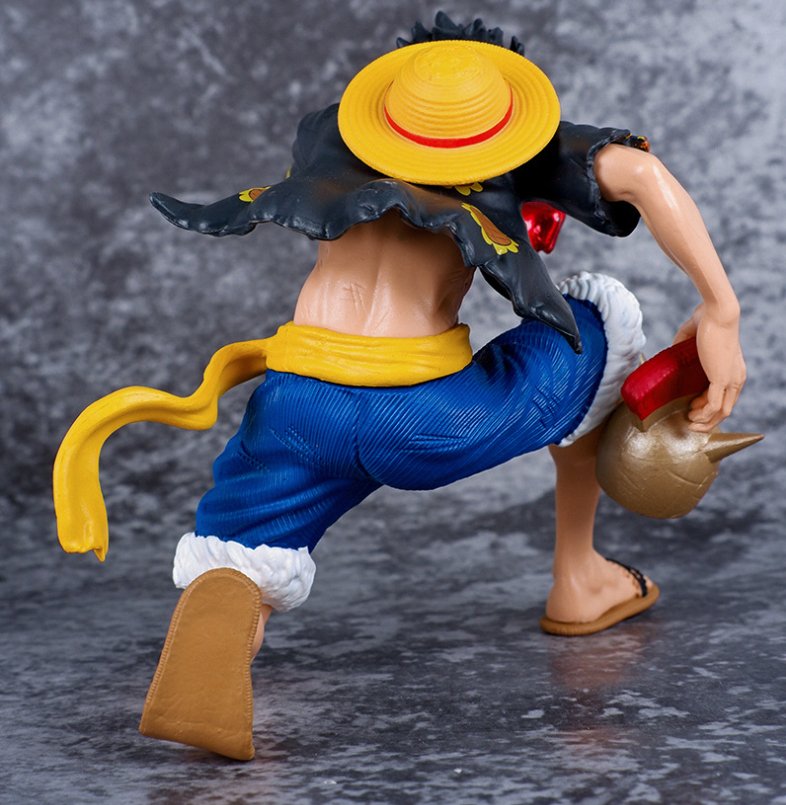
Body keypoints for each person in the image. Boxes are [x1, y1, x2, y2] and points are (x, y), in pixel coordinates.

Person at [54, 15, 746, 761]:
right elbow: (639, 174)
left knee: (241, 554)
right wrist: (721, 310)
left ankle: (229, 619)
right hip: (421, 417)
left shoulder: (333, 136)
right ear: (506, 116)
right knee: (597, 324)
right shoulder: (517, 150)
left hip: (296, 400)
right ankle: (578, 577)